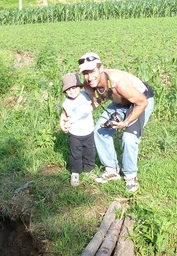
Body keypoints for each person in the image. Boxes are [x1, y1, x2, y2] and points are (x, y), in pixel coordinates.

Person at [78, 52, 154, 193]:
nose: (89, 77)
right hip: (120, 102)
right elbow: (97, 99)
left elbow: (141, 102)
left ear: (101, 69)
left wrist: (125, 122)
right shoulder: (89, 84)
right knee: (100, 132)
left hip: (141, 101)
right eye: (86, 73)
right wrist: (78, 116)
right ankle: (111, 170)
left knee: (129, 138)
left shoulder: (118, 83)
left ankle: (131, 176)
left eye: (92, 71)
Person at [59, 72, 96, 186]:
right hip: (75, 133)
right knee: (75, 154)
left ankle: (89, 170)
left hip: (89, 131)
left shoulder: (86, 95)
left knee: (89, 151)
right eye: (68, 89)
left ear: (80, 87)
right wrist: (63, 123)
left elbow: (95, 100)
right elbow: (64, 114)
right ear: (65, 91)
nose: (72, 91)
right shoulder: (66, 103)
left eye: (74, 87)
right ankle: (75, 173)